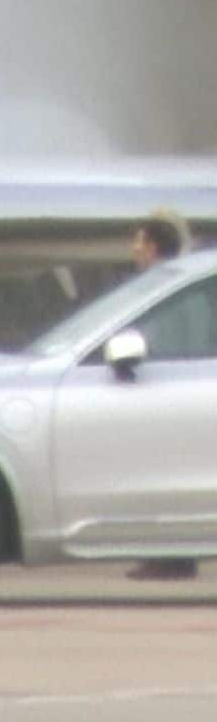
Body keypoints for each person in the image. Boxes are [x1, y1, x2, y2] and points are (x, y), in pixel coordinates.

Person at [126, 215, 198, 582]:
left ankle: (172, 556)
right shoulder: (167, 283)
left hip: (168, 392)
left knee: (166, 470)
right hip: (174, 391)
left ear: (153, 247)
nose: (134, 250)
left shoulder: (165, 289)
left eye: (139, 243)